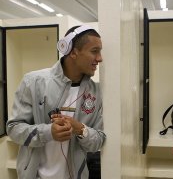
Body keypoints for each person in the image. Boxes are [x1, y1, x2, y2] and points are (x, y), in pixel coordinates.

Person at [6, 25, 106, 179]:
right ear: (73, 52)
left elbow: (98, 141)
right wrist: (48, 132)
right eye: (94, 51)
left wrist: (80, 129)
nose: (100, 58)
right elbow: (13, 129)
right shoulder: (33, 82)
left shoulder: (96, 92)